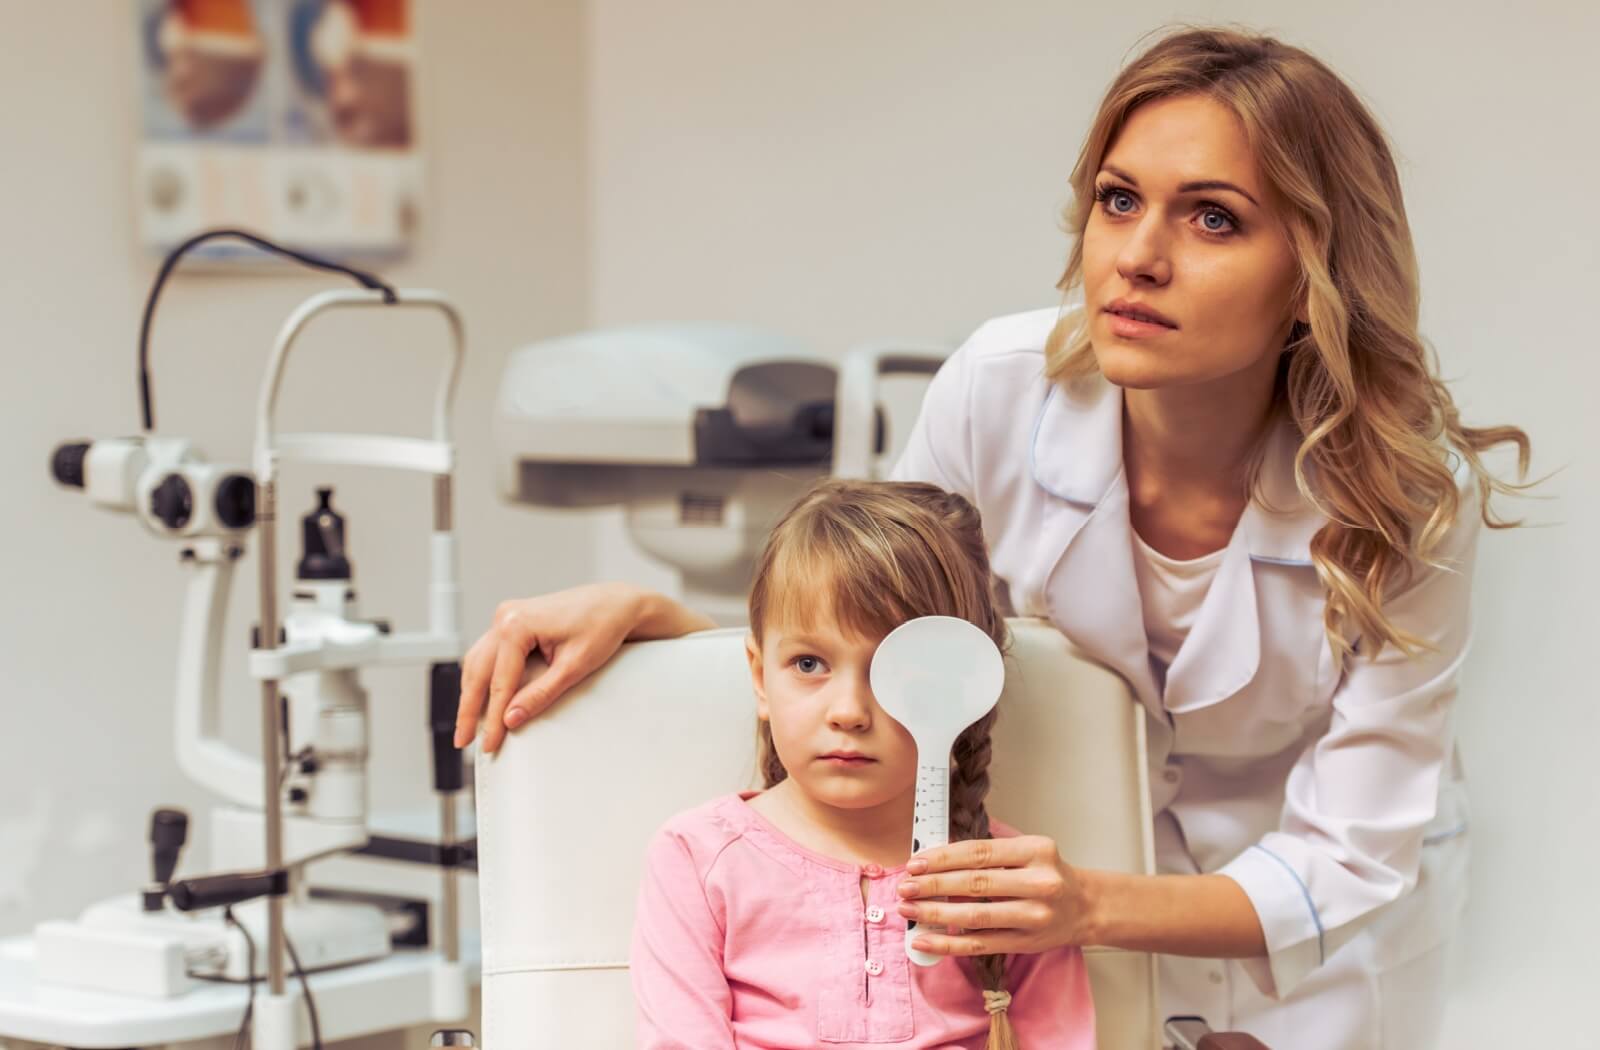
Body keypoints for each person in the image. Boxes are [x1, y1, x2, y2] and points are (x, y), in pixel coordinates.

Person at [455, 27, 1533, 1049]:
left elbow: (1348, 853)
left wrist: (1092, 902)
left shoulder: (1398, 497)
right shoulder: (999, 389)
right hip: (1052, 912)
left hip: (1315, 941)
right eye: (1119, 201)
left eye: (1212, 218)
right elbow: (872, 629)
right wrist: (659, 622)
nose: (1139, 257)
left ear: (1314, 272)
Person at [630, 479, 1096, 1049]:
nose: (849, 712)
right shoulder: (697, 859)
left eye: (891, 671)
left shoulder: (1012, 883)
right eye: (808, 663)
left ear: (962, 690)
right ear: (759, 677)